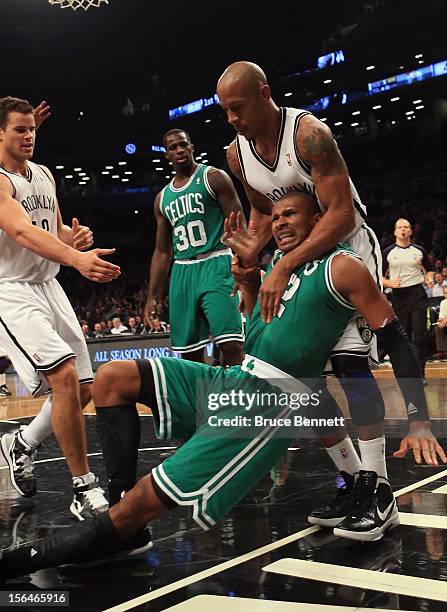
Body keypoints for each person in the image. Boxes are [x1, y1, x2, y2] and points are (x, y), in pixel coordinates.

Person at [1, 191, 425, 579]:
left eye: (289, 214)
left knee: (137, 509)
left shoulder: (344, 265)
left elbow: (396, 340)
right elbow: (266, 332)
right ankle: (122, 519)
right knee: (113, 377)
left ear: (319, 218)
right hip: (236, 378)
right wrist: (248, 279)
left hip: (267, 405)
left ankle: (32, 557)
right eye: (274, 216)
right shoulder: (281, 264)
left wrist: (418, 421)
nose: (277, 223)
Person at [216, 62, 442, 530]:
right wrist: (252, 250)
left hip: (345, 251)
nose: (232, 119)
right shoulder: (236, 155)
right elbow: (264, 209)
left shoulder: (308, 135)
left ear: (264, 93)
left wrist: (281, 265)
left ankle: (379, 491)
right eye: (225, 112)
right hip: (295, 254)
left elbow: (338, 215)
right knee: (303, 381)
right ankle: (352, 481)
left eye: (238, 108)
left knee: (349, 364)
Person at [0, 96, 121, 519]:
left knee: (84, 388)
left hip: (47, 284)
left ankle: (21, 443)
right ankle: (82, 489)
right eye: (19, 129)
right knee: (65, 378)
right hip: (10, 288)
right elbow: (19, 231)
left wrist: (74, 242)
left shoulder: (45, 175)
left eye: (32, 128)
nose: (29, 135)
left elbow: (47, 235)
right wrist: (76, 260)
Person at [143, 129, 244, 366]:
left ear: (191, 147)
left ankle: (238, 399)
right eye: (173, 147)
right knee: (189, 353)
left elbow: (239, 225)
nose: (178, 150)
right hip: (182, 271)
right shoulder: (162, 198)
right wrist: (152, 297)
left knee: (230, 344)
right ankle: (201, 402)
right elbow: (162, 251)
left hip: (216, 262)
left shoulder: (214, 177)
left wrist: (245, 265)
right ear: (166, 155)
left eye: (182, 145)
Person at [382, 218, 432, 380]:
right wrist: (390, 283)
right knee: (403, 336)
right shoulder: (388, 252)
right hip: (399, 297)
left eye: (406, 227)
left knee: (420, 335)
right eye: (400, 227)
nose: (403, 229)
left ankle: (421, 373)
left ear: (410, 232)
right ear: (395, 232)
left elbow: (429, 270)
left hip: (417, 294)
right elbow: (378, 276)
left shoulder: (419, 250)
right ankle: (407, 375)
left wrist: (429, 278)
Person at [434, 286, 447, 358]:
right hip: (445, 323)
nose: (446, 295)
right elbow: (442, 316)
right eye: (445, 293)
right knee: (438, 327)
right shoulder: (443, 303)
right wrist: (441, 321)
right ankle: (442, 351)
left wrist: (446, 321)